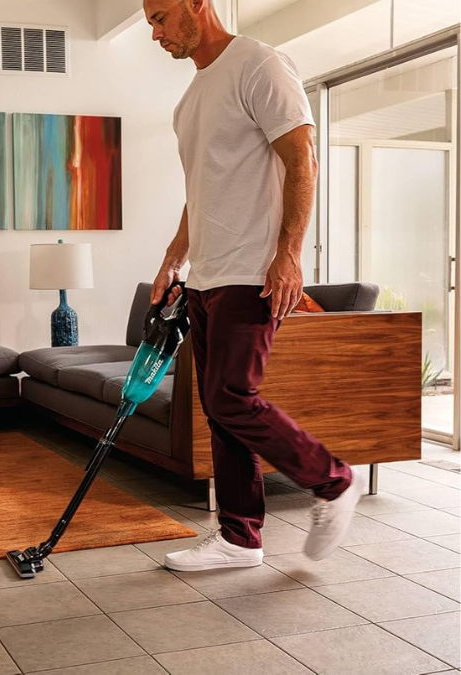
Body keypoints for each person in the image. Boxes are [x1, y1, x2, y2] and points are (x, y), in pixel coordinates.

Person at [143, 0, 365, 572]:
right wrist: (174, 260)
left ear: (199, 5)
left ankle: (333, 479)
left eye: (162, 16)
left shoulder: (259, 65)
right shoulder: (189, 100)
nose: (155, 32)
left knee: (231, 396)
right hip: (206, 276)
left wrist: (289, 254)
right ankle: (240, 538)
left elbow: (302, 158)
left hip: (253, 271)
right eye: (149, 21)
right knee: (219, 413)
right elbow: (203, 192)